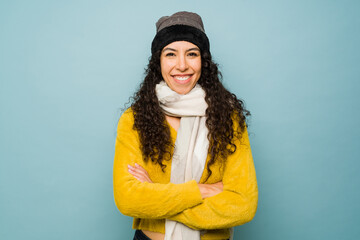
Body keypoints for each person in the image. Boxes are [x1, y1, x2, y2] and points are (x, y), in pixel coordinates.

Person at [113, 11, 258, 240]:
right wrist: (202, 190)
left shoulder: (228, 118)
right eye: (170, 54)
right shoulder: (135, 119)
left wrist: (159, 200)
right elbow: (128, 199)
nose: (182, 65)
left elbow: (243, 204)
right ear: (158, 62)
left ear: (204, 60)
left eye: (192, 54)